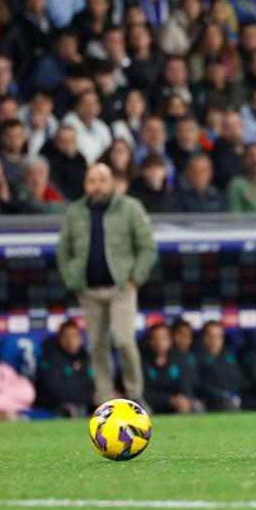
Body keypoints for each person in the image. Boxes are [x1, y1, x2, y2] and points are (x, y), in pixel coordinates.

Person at [57, 163, 158, 407]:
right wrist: (73, 279)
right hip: (89, 291)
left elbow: (148, 247)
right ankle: (104, 397)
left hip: (121, 288)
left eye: (102, 179)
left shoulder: (130, 208)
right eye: (91, 180)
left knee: (124, 340)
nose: (97, 185)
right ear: (85, 184)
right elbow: (64, 251)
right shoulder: (75, 212)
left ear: (112, 181)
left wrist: (135, 278)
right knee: (97, 346)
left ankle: (134, 394)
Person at [35, 320, 94, 417]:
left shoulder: (85, 357)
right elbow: (57, 392)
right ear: (59, 338)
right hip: (53, 408)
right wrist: (91, 397)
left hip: (86, 406)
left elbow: (93, 384)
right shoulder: (50, 356)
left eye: (75, 336)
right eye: (66, 337)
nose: (71, 342)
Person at [193, 321, 243, 412]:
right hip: (204, 400)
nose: (214, 340)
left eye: (218, 336)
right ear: (203, 338)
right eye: (210, 336)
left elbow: (237, 380)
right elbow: (196, 383)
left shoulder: (228, 357)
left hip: (228, 398)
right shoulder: (195, 357)